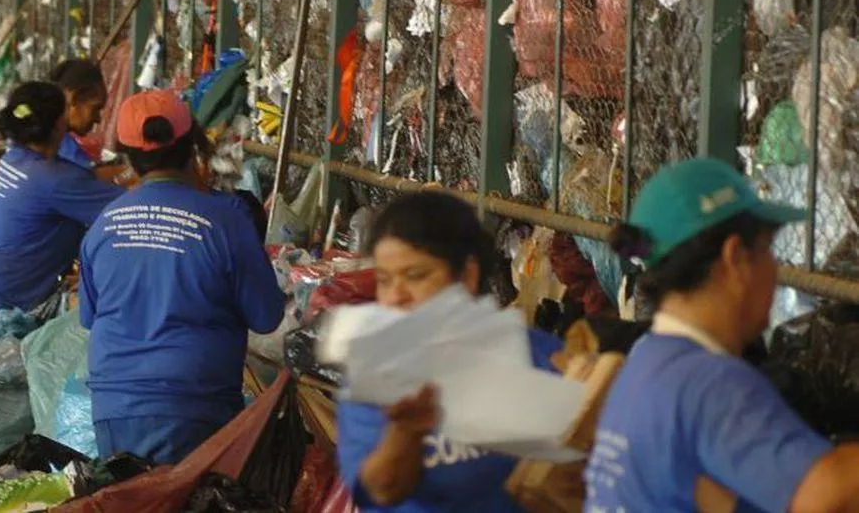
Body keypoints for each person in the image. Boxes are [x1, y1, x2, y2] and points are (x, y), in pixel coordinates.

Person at [585, 158, 859, 513]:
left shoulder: (645, 363)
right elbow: (829, 497)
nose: (775, 269)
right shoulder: (708, 382)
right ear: (735, 258)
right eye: (767, 250)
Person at [79, 89, 285, 464]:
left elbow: (91, 318)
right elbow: (267, 317)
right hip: (194, 406)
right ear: (192, 145)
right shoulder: (227, 221)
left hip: (113, 406)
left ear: (127, 156)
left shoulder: (103, 224)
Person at [337, 191, 563, 513]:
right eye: (385, 281)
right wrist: (406, 432)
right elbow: (382, 491)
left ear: (466, 276)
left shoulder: (544, 362)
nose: (396, 297)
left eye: (415, 276)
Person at [0, 81, 123, 343]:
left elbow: (83, 180)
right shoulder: (53, 179)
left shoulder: (14, 158)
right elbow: (134, 208)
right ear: (60, 124)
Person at [51, 58, 108, 170]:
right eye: (96, 109)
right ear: (75, 97)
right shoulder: (68, 156)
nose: (98, 119)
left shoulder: (37, 138)